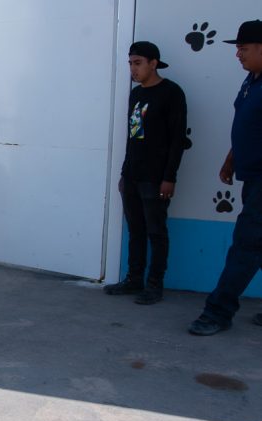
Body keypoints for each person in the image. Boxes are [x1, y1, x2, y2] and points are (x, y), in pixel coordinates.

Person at [188, 20, 262, 336]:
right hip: (252, 176)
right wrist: (232, 158)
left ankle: (217, 312)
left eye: (243, 48)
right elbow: (246, 122)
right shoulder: (251, 81)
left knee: (247, 244)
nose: (237, 54)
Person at [104, 41, 188, 305]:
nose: (133, 68)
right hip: (132, 175)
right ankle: (134, 279)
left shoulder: (172, 93)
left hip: (156, 177)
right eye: (130, 63)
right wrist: (123, 173)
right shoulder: (136, 94)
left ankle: (154, 285)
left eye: (138, 62)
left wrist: (169, 177)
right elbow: (132, 136)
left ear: (153, 63)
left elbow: (177, 140)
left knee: (156, 231)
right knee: (136, 230)